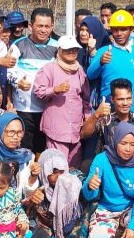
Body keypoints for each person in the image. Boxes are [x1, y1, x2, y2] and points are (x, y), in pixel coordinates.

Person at [83, 122, 134, 238]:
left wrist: (133, 227)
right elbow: (88, 195)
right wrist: (90, 186)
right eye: (123, 143)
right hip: (106, 208)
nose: (128, 149)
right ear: (115, 140)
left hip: (128, 209)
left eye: (132, 144)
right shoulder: (102, 159)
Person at [34, 35, 92, 166]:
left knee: (74, 168)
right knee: (57, 168)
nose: (72, 52)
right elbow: (38, 91)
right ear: (59, 50)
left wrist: (87, 117)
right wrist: (55, 90)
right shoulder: (49, 68)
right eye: (68, 49)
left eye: (74, 49)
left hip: (75, 129)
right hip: (57, 129)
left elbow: (85, 97)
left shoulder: (79, 70)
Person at [7, 7, 58, 154]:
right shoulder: (18, 45)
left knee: (43, 151)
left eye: (47, 26)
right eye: (39, 26)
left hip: (48, 108)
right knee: (24, 150)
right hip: (25, 109)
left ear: (52, 27)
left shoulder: (57, 47)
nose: (43, 30)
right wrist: (18, 82)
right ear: (30, 26)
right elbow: (8, 71)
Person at [80, 78, 134, 163]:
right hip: (108, 169)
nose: (125, 103)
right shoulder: (105, 120)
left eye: (128, 98)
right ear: (112, 99)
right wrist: (96, 115)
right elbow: (83, 134)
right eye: (121, 99)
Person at [27, 149, 87, 238]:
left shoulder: (73, 177)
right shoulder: (37, 184)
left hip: (73, 232)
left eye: (61, 172)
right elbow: (24, 208)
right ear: (44, 172)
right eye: (53, 173)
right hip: (47, 230)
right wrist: (32, 199)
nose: (59, 177)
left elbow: (87, 187)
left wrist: (86, 185)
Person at [87, 10, 134, 112]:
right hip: (107, 110)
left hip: (132, 110)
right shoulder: (103, 51)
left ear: (131, 29)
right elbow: (90, 75)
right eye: (115, 30)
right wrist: (100, 62)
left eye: (123, 29)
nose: (119, 33)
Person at [0, 113, 41, 197]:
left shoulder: (27, 157)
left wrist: (33, 177)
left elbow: (27, 194)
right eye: (11, 132)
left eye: (19, 132)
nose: (16, 137)